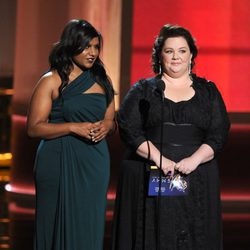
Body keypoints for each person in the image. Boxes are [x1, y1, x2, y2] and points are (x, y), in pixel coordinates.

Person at [112, 24, 230, 250]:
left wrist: (194, 160)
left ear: (191, 54)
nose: (176, 57)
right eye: (169, 51)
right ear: (160, 55)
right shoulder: (144, 90)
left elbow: (218, 132)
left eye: (182, 50)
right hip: (154, 171)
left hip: (197, 175)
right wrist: (160, 159)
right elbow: (129, 128)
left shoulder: (208, 91)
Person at [27, 19, 115, 250]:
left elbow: (110, 119)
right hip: (56, 160)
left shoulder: (102, 81)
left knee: (89, 222)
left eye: (96, 47)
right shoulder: (51, 81)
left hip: (94, 161)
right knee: (52, 220)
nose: (92, 53)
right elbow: (34, 127)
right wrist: (72, 127)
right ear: (70, 46)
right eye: (86, 47)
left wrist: (108, 126)